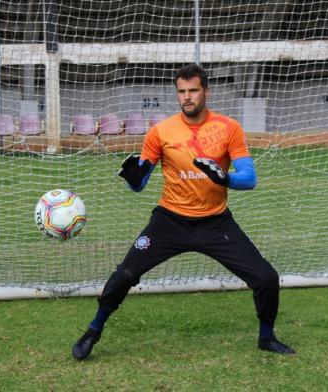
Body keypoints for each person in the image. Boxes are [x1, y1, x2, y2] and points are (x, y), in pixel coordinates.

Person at [72, 63, 295, 360]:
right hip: (170, 221)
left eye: (193, 90)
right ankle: (93, 331)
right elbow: (140, 185)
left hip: (216, 223)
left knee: (266, 277)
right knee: (125, 273)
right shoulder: (160, 132)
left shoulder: (229, 128)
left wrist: (225, 178)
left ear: (206, 91)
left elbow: (249, 177)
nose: (187, 97)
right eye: (181, 91)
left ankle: (267, 337)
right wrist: (133, 177)